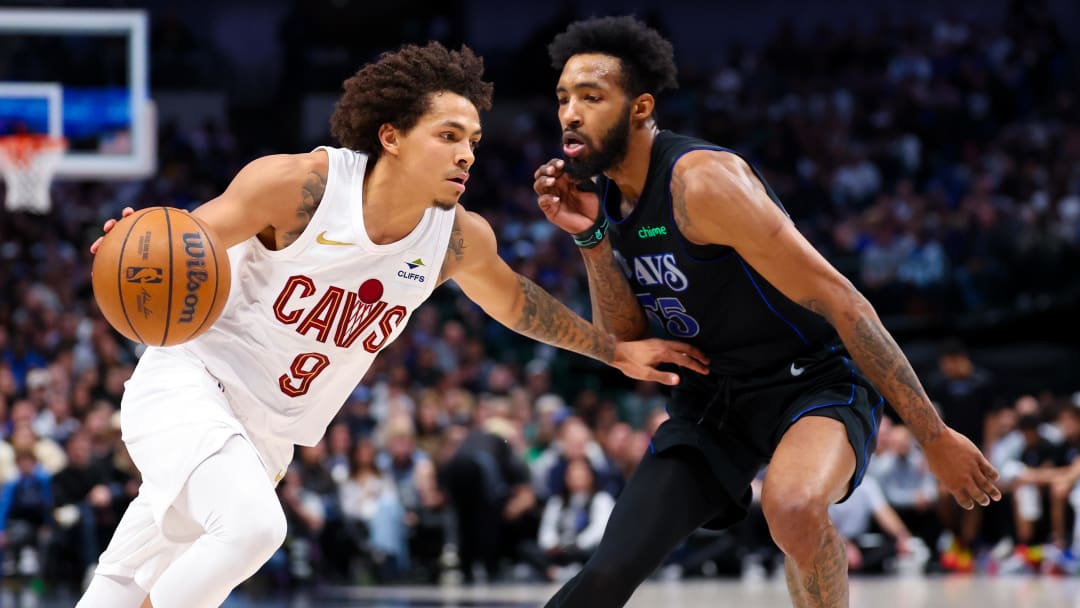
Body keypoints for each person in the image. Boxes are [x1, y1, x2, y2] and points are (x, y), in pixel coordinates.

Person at [77, 42, 708, 608]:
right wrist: (129, 245)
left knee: (126, 578)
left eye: (474, 141)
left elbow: (518, 304)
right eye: (448, 134)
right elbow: (181, 244)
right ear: (391, 136)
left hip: (266, 438)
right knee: (253, 530)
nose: (466, 153)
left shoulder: (456, 239)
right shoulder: (299, 187)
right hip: (189, 385)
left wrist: (613, 351)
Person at [532, 16, 1000, 607]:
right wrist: (593, 237)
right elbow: (626, 339)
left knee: (794, 507)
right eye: (563, 98)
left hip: (811, 382)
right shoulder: (608, 199)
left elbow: (841, 300)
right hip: (712, 402)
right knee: (605, 574)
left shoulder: (702, 183)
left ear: (640, 108)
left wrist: (932, 435)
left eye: (591, 97)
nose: (569, 113)